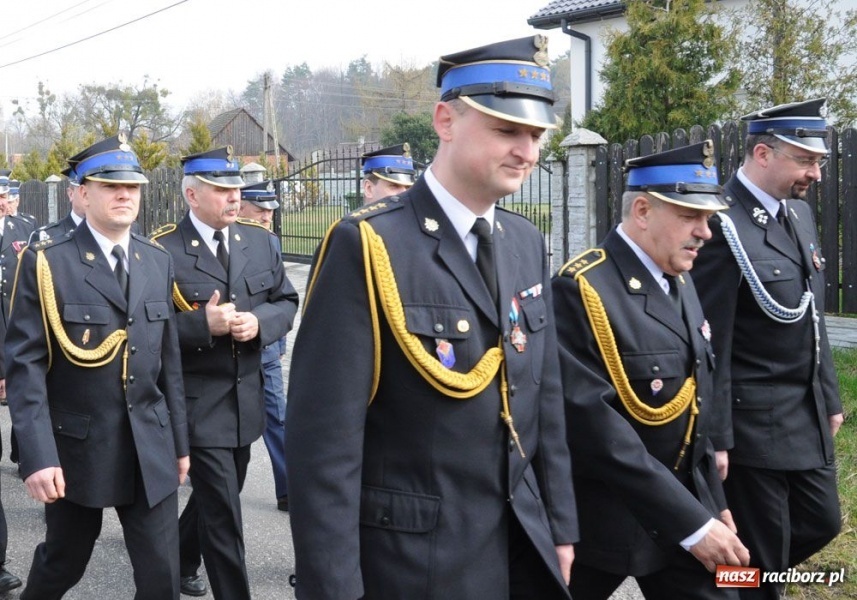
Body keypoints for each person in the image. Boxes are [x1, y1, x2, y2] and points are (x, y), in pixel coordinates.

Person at [286, 35, 578, 600]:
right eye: (506, 129)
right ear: (445, 120)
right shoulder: (368, 244)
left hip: (521, 548)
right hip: (413, 564)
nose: (528, 150)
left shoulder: (524, 240)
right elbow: (324, 447)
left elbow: (544, 397)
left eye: (536, 134)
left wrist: (560, 524)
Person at [552, 141, 750, 600]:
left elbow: (697, 399)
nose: (706, 232)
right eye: (690, 216)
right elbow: (599, 433)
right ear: (642, 210)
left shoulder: (680, 277)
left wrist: (712, 508)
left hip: (681, 510)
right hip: (605, 519)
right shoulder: (582, 288)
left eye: (708, 217)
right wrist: (693, 521)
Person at [4, 134, 189, 599]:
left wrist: (180, 444)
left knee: (161, 575)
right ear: (82, 193)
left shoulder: (156, 259)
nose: (124, 195)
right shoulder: (48, 261)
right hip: (78, 449)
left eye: (133, 186)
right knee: (63, 563)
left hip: (149, 444)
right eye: (110, 185)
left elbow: (169, 363)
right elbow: (26, 366)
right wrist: (38, 454)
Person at [692, 99, 842, 599]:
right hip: (754, 425)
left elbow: (812, 317)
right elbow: (712, 339)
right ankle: (738, 584)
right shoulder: (720, 223)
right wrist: (716, 436)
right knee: (762, 551)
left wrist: (830, 397)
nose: (816, 173)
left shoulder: (797, 215)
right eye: (806, 160)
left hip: (806, 415)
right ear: (762, 153)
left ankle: (724, 581)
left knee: (822, 523)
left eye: (818, 161)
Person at [150, 147, 298, 600]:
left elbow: (285, 301)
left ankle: (175, 560)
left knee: (220, 493)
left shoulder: (259, 241)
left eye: (236, 190)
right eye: (222, 191)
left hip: (244, 403)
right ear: (192, 195)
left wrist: (260, 324)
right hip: (197, 405)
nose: (234, 199)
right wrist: (201, 325)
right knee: (224, 516)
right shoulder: (161, 251)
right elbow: (143, 332)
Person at [237, 180, 290, 511]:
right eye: (260, 210)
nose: (267, 216)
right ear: (241, 206)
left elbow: (280, 295)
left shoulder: (270, 242)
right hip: (221, 353)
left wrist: (277, 339)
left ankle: (288, 490)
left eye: (271, 211)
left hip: (264, 349)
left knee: (278, 417)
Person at [28, 168, 86, 245]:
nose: (92, 197)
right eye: (84, 192)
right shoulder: (44, 237)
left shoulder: (106, 234)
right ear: (71, 194)